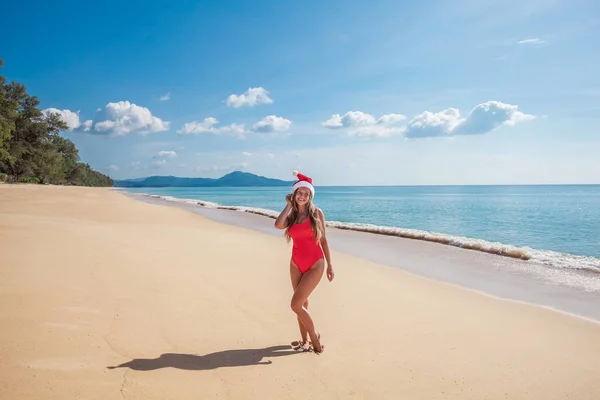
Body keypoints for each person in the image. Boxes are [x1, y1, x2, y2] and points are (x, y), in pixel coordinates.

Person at [274, 170, 334, 354]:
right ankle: (304, 341)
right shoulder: (291, 216)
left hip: (316, 264)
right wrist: (288, 205)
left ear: (310, 196)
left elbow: (323, 240)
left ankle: (315, 338)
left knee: (295, 305)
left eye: (306, 194)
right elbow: (278, 225)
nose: (302, 196)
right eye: (299, 193)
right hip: (296, 264)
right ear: (294, 194)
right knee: (302, 304)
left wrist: (330, 265)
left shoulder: (316, 213)